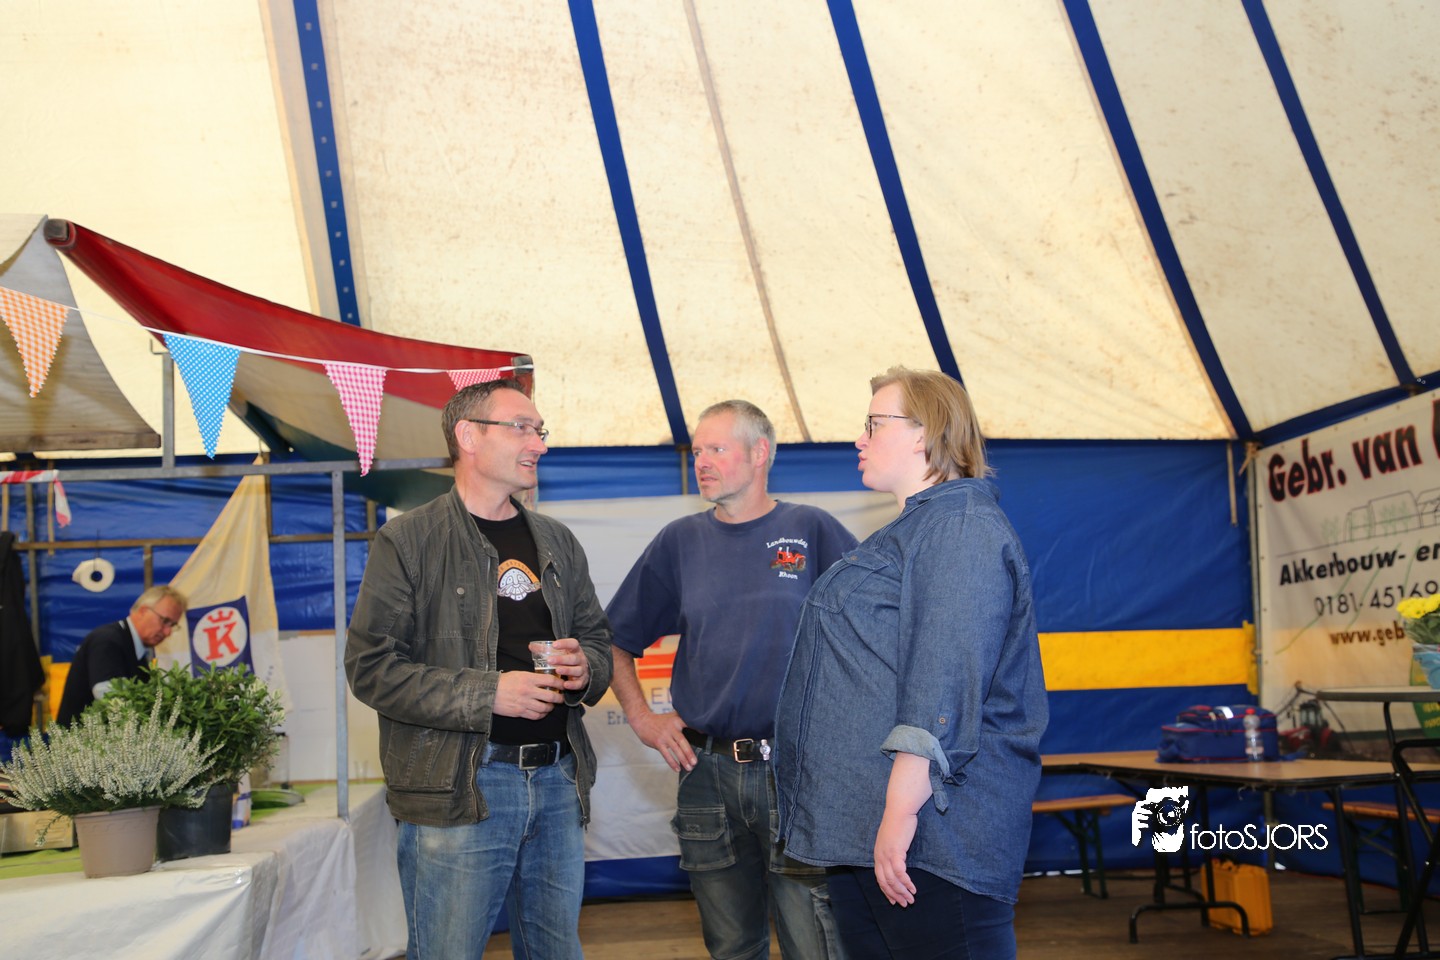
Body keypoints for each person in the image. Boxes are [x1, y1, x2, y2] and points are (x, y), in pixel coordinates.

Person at [774, 367, 1048, 960]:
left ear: (925, 431)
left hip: (930, 837)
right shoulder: (919, 527)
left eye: (874, 423)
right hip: (875, 828)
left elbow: (942, 683)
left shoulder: (960, 526)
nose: (860, 438)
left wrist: (899, 814)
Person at [345, 379, 613, 960]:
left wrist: (584, 666)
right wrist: (488, 694)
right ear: (468, 436)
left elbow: (598, 640)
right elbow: (371, 668)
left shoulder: (557, 541)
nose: (539, 444)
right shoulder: (408, 541)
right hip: (460, 790)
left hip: (559, 780)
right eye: (522, 428)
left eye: (540, 430)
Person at [607, 400, 858, 960]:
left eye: (716, 449)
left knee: (815, 944)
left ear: (760, 452)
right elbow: (614, 639)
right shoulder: (679, 542)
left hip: (799, 772)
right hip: (706, 774)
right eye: (697, 451)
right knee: (731, 948)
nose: (701, 462)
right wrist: (643, 719)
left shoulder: (812, 529)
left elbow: (875, 633)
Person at [55, 584, 186, 725]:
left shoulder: (133, 647)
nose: (168, 632)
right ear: (143, 611)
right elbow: (108, 695)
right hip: (81, 737)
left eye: (173, 625)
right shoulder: (107, 641)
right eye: (165, 621)